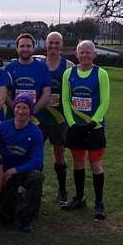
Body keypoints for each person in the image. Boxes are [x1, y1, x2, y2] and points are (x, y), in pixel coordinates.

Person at [61, 40, 110, 221]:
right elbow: (65, 100)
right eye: (81, 52)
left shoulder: (101, 74)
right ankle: (79, 198)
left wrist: (93, 122)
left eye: (88, 52)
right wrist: (72, 123)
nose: (84, 56)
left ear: (94, 54)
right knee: (78, 163)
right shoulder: (68, 73)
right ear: (76, 54)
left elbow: (105, 101)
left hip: (94, 129)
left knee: (95, 164)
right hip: (75, 128)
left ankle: (99, 202)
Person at [0, 94, 45, 233]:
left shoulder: (35, 132)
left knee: (37, 177)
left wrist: (14, 170)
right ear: (13, 108)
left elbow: (38, 162)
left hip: (22, 171)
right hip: (4, 172)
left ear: (31, 111)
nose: (21, 111)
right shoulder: (1, 128)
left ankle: (26, 218)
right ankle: (19, 199)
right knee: (6, 220)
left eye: (25, 108)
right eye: (18, 107)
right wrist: (0, 174)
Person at [37, 31, 75, 206]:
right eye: (50, 43)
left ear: (61, 44)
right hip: (39, 117)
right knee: (35, 154)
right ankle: (33, 189)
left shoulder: (68, 66)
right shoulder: (39, 65)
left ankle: (62, 189)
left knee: (59, 154)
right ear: (45, 44)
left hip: (59, 118)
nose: (53, 46)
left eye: (56, 43)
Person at [4, 33, 52, 115]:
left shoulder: (42, 68)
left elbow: (46, 93)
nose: (25, 49)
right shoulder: (9, 68)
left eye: (28, 46)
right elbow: (4, 93)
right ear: (17, 48)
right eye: (22, 46)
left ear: (33, 48)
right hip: (13, 118)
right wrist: (17, 111)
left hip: (35, 118)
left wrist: (32, 112)